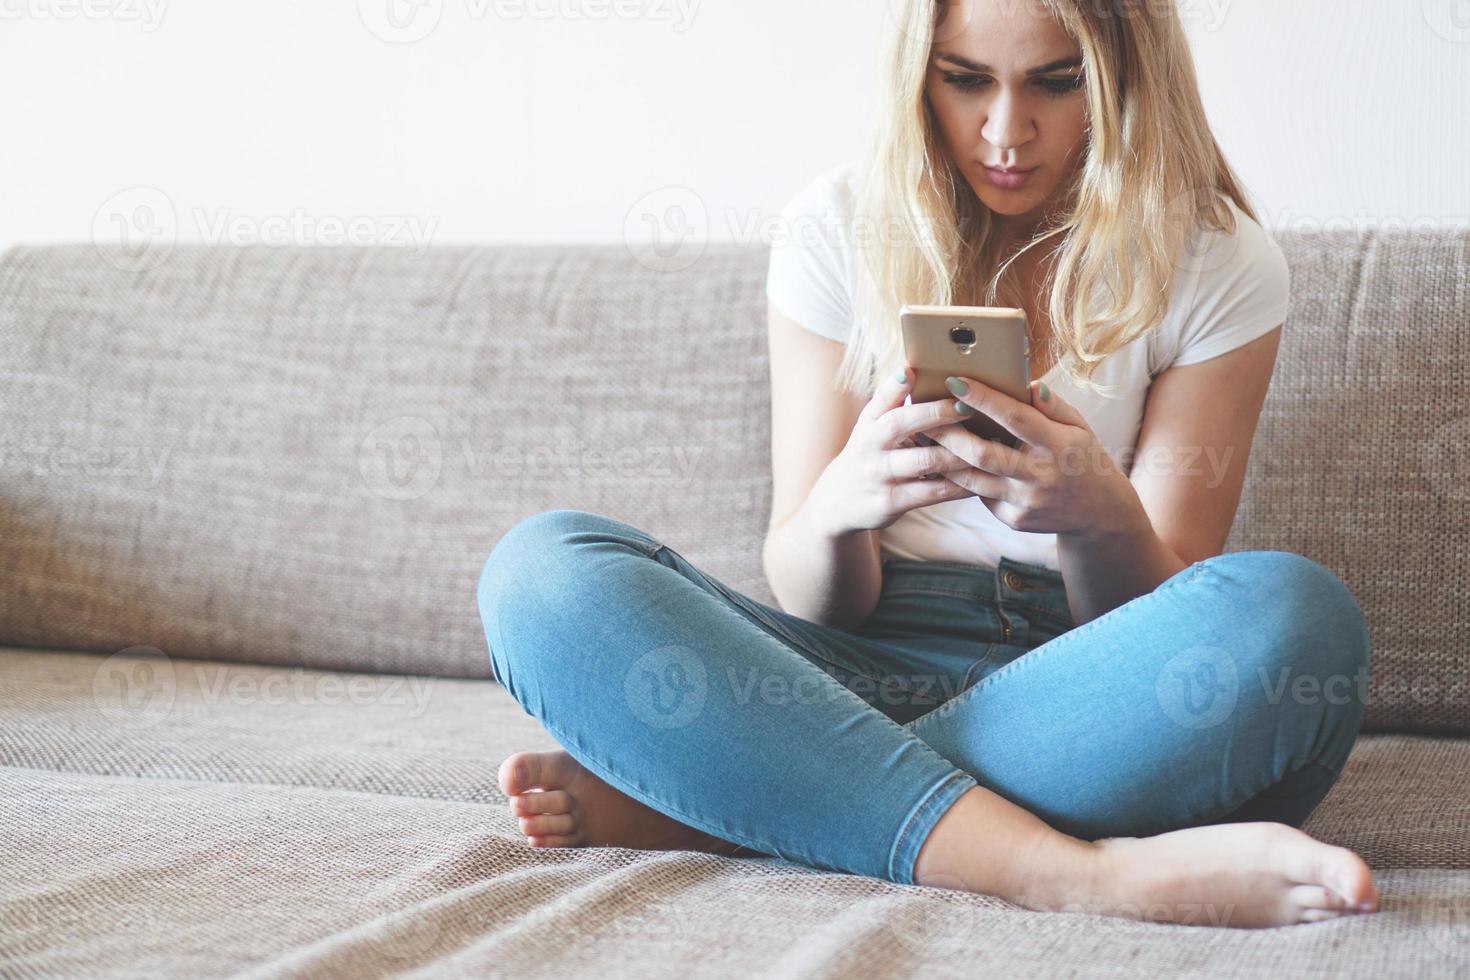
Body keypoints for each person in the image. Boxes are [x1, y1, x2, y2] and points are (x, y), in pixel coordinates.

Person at [477, 0, 1379, 928]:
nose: (1005, 131)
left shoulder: (1217, 256)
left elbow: (1172, 619)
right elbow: (813, 597)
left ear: (1125, 77)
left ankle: (744, 796)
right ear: (918, 73)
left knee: (1295, 616)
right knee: (543, 574)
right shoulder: (836, 227)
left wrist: (1099, 517)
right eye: (966, 79)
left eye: (1056, 83)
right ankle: (1069, 870)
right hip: (844, 667)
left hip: (1085, 691)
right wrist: (840, 509)